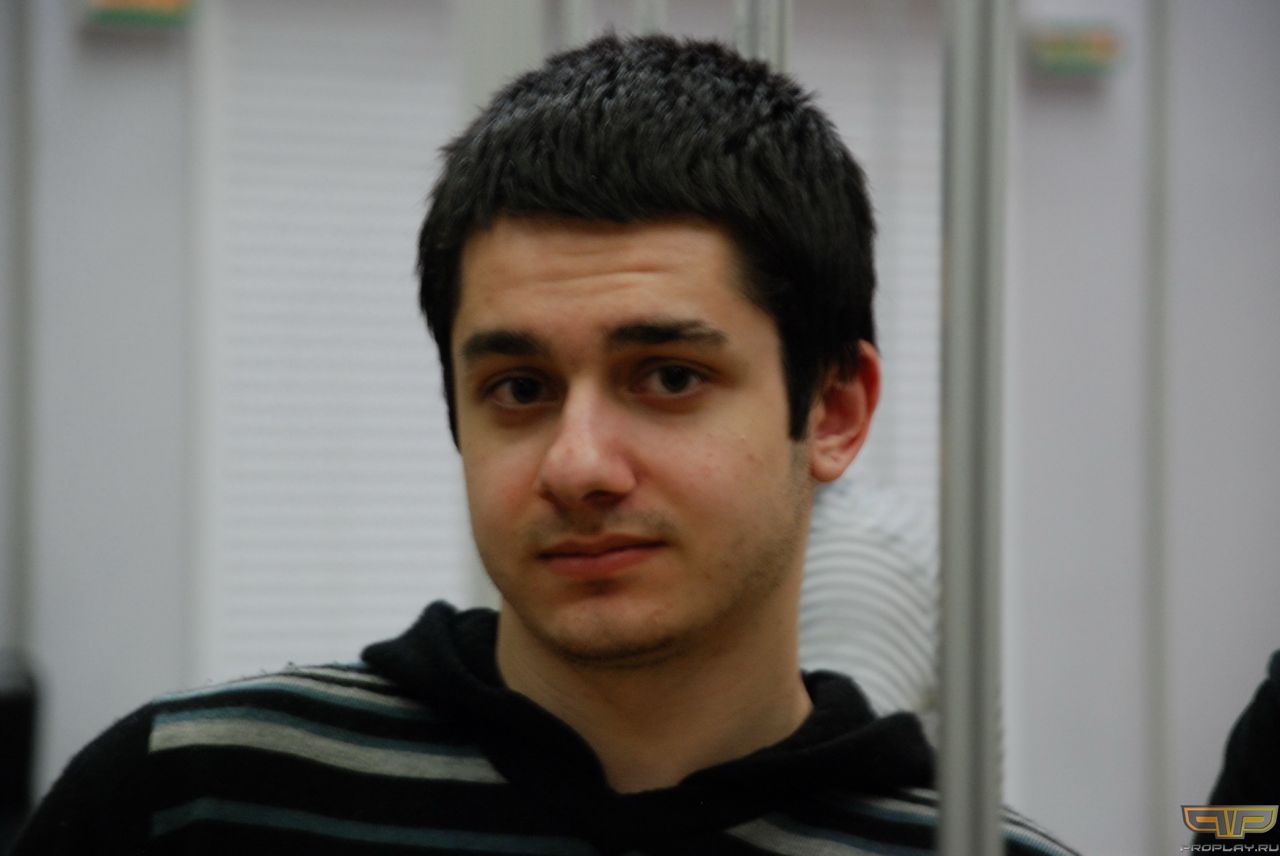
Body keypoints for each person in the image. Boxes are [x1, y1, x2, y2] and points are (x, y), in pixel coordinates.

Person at [14, 34, 1075, 854]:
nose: (577, 466)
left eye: (668, 377)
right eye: (518, 389)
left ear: (834, 410)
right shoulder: (191, 802)